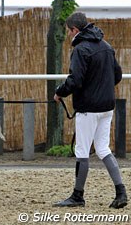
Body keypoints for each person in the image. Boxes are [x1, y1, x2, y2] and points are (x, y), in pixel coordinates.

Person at [53, 12, 127, 209]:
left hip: (88, 108)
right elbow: (117, 75)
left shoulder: (80, 49)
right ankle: (121, 192)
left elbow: (75, 80)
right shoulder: (106, 46)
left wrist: (59, 92)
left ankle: (78, 195)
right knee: (103, 149)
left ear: (75, 30)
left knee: (82, 150)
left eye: (69, 31)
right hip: (106, 107)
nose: (69, 35)